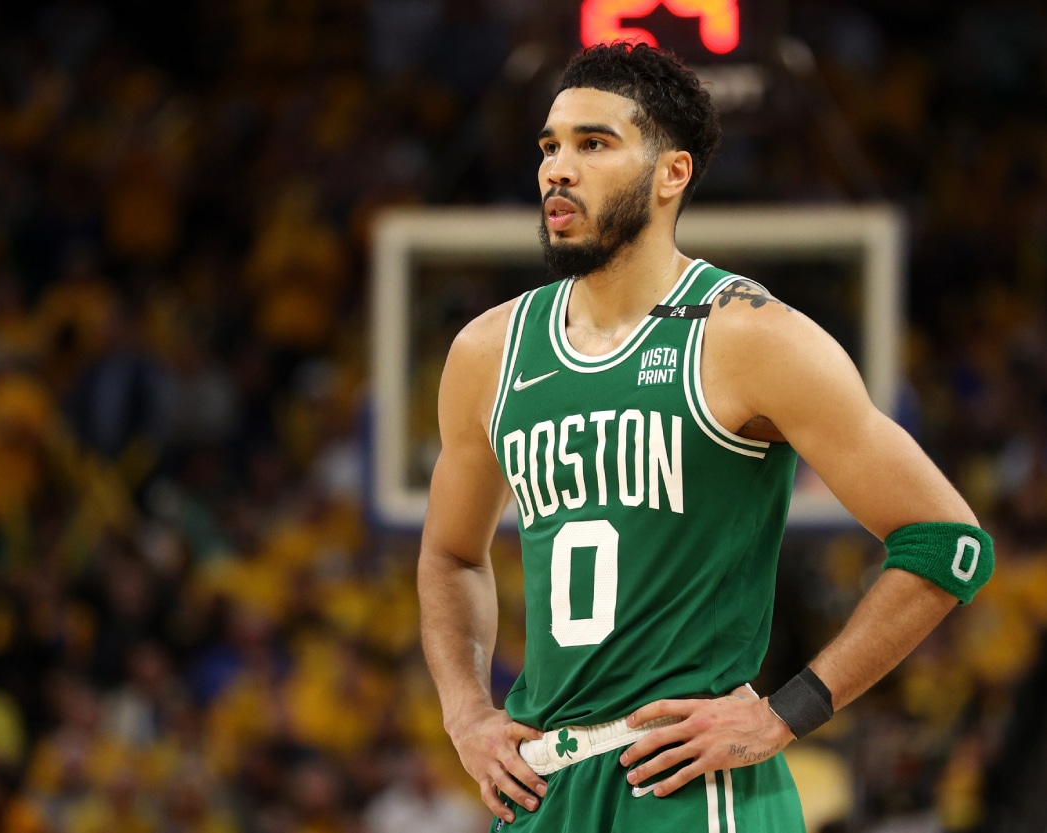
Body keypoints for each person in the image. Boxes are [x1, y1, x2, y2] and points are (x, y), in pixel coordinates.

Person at [416, 41, 993, 832]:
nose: (557, 169)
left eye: (594, 143)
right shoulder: (488, 351)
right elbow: (450, 554)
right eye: (550, 146)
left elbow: (948, 543)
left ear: (671, 173)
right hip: (541, 788)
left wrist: (785, 713)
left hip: (691, 785)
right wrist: (466, 714)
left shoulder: (749, 336)